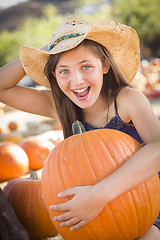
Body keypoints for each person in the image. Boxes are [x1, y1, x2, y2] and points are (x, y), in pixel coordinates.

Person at [0, 16, 160, 239]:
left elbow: (157, 148)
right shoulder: (60, 106)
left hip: (149, 201)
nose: (77, 81)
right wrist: (43, 53)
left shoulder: (127, 99)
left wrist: (99, 194)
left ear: (104, 65)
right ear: (54, 75)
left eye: (86, 66)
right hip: (94, 210)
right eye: (64, 70)